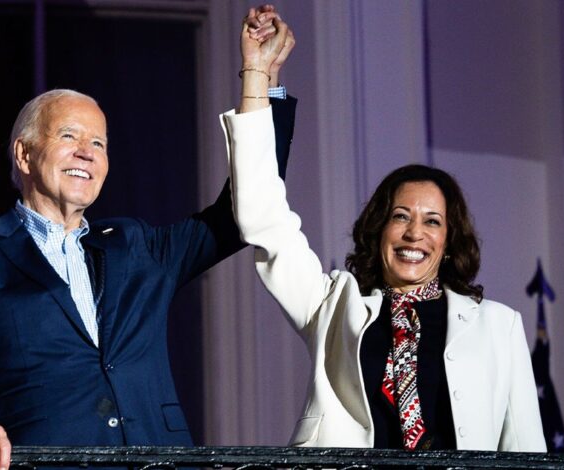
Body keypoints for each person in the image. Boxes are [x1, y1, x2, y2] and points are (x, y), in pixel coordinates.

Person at [0, 7, 296, 470]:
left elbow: (243, 213)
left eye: (99, 143)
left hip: (159, 461)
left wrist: (260, 78)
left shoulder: (134, 245)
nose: (86, 153)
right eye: (69, 136)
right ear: (25, 154)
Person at [220, 11, 546, 452]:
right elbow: (263, 215)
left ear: (450, 242)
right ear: (378, 230)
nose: (415, 233)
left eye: (432, 221)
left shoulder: (499, 326)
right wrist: (259, 75)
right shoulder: (333, 307)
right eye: (400, 216)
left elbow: (526, 453)